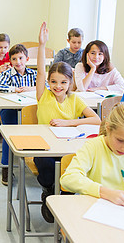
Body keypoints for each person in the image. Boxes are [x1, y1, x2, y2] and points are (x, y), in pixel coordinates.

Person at [36, 22, 101, 223]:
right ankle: (50, 193)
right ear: (48, 82)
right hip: (45, 147)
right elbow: (39, 71)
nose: (58, 86)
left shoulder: (75, 99)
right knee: (47, 165)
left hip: (68, 145)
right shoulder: (44, 95)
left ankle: (63, 196)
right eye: (54, 82)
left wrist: (69, 123)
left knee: (74, 164)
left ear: (70, 83)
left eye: (63, 82)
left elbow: (96, 119)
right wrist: (41, 45)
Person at [60, 102, 124, 214]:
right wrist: (104, 192)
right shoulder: (93, 147)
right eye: (120, 140)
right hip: (95, 211)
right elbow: (68, 179)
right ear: (108, 128)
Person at [0, 44, 37, 186]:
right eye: (14, 59)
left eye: (21, 58)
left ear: (27, 59)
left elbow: (47, 86)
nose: (18, 62)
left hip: (30, 110)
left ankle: (38, 162)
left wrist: (31, 88)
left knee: (39, 129)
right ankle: (6, 166)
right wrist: (14, 89)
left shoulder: (33, 74)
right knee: (9, 133)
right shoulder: (7, 74)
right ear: (10, 61)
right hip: (11, 109)